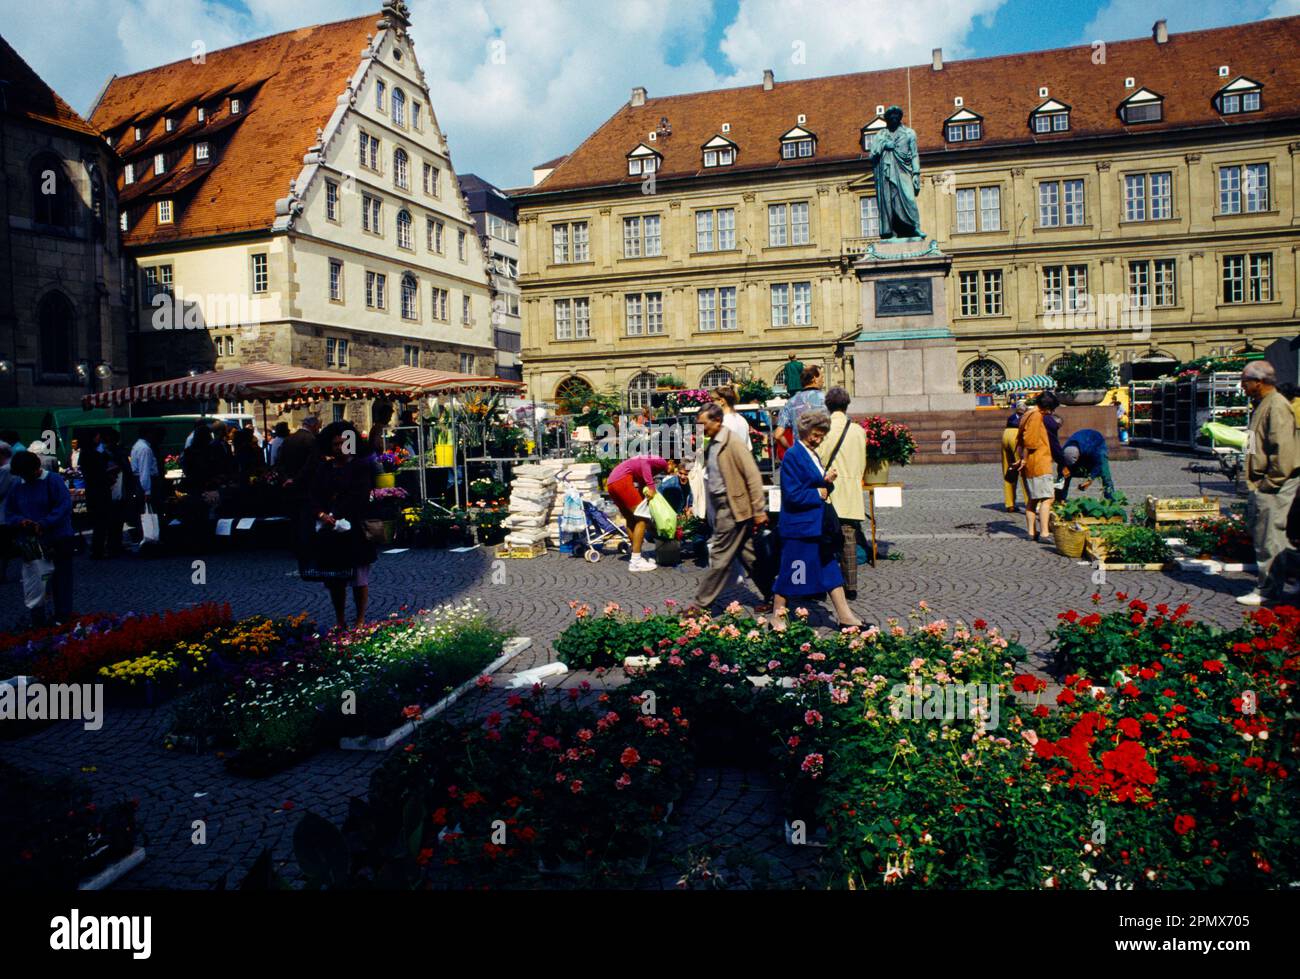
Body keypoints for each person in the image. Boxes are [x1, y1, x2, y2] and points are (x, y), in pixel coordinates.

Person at [771, 409, 863, 631]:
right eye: (816, 433)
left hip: (815, 526)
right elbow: (792, 494)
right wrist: (819, 492)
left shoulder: (812, 454)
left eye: (822, 434)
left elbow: (815, 485)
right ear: (804, 431)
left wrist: (826, 481)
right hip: (799, 528)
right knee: (793, 572)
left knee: (830, 570)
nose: (819, 438)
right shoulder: (794, 455)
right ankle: (777, 617)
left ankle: (845, 616)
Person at [692, 405, 771, 609]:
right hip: (722, 507)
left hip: (733, 507)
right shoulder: (713, 443)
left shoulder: (733, 442)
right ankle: (774, 595)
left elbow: (752, 475)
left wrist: (759, 509)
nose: (700, 428)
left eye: (703, 423)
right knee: (749, 555)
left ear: (717, 421)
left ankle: (700, 605)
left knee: (719, 556)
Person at [306, 421, 378, 630]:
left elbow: (360, 496)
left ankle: (360, 619)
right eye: (335, 444)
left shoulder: (360, 467)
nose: (339, 448)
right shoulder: (324, 469)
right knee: (336, 580)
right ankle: (340, 619)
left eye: (343, 443)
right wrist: (321, 514)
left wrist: (336, 515)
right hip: (330, 532)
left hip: (354, 530)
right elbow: (313, 495)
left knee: (358, 578)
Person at [1238, 361, 1300, 606]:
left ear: (1259, 382)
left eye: (1245, 381)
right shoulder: (1262, 405)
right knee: (1272, 535)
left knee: (1268, 537)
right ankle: (1291, 578)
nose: (1243, 386)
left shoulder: (1276, 405)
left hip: (1274, 482)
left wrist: (1269, 482)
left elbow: (1283, 449)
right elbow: (1255, 442)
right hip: (1262, 479)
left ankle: (1268, 589)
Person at [6, 451, 75, 625]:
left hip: (58, 538)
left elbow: (64, 506)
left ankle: (63, 616)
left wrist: (44, 523)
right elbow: (9, 512)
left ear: (35, 469)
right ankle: (38, 618)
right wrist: (21, 522)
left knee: (61, 579)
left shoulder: (53, 480)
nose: (24, 478)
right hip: (32, 542)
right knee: (35, 580)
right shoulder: (18, 485)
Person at [817, 386, 868, 599]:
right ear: (847, 405)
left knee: (823, 539)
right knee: (849, 539)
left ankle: (820, 586)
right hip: (852, 490)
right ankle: (851, 586)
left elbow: (819, 458)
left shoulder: (826, 429)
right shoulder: (858, 430)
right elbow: (862, 462)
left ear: (828, 406)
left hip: (832, 490)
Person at [606, 453, 676, 571]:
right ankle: (636, 561)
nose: (673, 472)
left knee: (631, 518)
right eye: (675, 468)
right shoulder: (662, 461)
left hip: (611, 482)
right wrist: (652, 487)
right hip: (622, 481)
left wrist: (645, 498)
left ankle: (637, 553)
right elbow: (644, 463)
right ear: (671, 462)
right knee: (642, 519)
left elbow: (641, 481)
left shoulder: (653, 461)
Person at [1014, 391, 1060, 542]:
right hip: (1039, 462)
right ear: (1048, 408)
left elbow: (1022, 439)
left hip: (1032, 463)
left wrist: (1022, 459)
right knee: (1048, 498)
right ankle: (1044, 533)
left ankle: (1031, 532)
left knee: (1032, 499)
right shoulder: (1036, 416)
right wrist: (1025, 459)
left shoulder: (1027, 413)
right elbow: (1030, 441)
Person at [81, 429, 123, 558]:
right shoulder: (94, 455)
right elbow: (101, 471)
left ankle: (97, 548)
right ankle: (98, 550)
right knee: (102, 521)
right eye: (98, 437)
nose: (100, 440)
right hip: (100, 491)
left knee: (98, 522)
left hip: (92, 490)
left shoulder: (85, 453)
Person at [773, 364, 825, 460]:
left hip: (801, 458)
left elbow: (778, 434)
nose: (823, 380)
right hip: (823, 457)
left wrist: (791, 450)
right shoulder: (827, 400)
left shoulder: (791, 402)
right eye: (821, 377)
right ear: (814, 379)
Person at [1059, 428, 1117, 500]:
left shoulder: (1092, 450)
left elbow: (1098, 464)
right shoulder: (1065, 450)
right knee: (1064, 475)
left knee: (1105, 473)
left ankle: (1111, 499)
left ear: (1078, 456)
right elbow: (1061, 463)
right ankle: (1060, 498)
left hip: (1097, 444)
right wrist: (1064, 469)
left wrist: (1090, 480)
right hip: (1082, 444)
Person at [1001, 400, 1029, 513]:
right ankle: (1029, 502)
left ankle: (1009, 504)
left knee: (1009, 470)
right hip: (1016, 435)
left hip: (1006, 434)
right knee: (1023, 470)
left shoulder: (1011, 417)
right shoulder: (1026, 417)